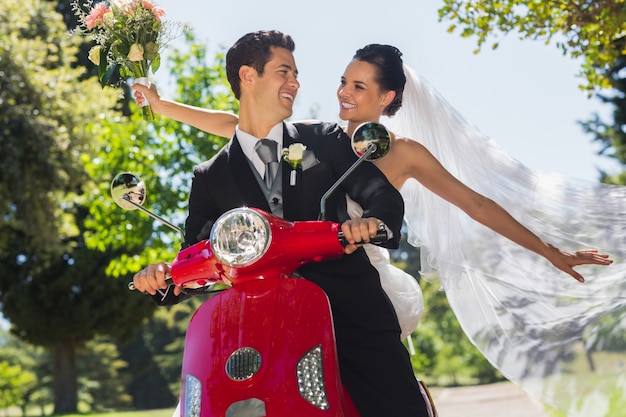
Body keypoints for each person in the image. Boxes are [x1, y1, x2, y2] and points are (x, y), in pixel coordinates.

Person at [133, 42, 623, 416]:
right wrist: (162, 105)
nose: (344, 93)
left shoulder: (402, 152)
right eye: (344, 82)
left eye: (360, 87)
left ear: (387, 97)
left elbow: (474, 203)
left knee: (379, 375)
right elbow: (232, 123)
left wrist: (550, 251)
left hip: (357, 268)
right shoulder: (312, 135)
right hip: (287, 279)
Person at [132, 31, 432, 417]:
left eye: (295, 74)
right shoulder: (210, 176)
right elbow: (196, 257)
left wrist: (371, 222)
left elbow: (380, 193)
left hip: (348, 312)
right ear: (248, 76)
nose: (296, 83)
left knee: (397, 406)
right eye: (284, 72)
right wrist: (162, 277)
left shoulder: (323, 139)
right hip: (260, 325)